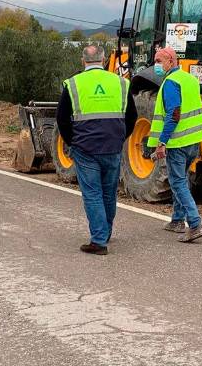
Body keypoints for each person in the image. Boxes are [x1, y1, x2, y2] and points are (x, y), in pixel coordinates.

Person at [56, 45, 137, 255]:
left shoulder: (73, 83)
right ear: (103, 60)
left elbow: (62, 119)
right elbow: (132, 117)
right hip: (113, 146)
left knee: (92, 193)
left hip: (85, 147)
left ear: (83, 61)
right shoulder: (121, 83)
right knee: (109, 191)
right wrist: (120, 137)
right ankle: (106, 232)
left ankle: (99, 240)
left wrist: (71, 142)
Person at [147, 47, 202, 242]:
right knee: (181, 179)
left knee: (177, 182)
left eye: (159, 61)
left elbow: (174, 114)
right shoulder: (189, 79)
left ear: (171, 61)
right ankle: (177, 220)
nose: (156, 64)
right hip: (194, 139)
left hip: (178, 141)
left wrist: (162, 142)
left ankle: (195, 223)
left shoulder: (170, 83)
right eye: (155, 60)